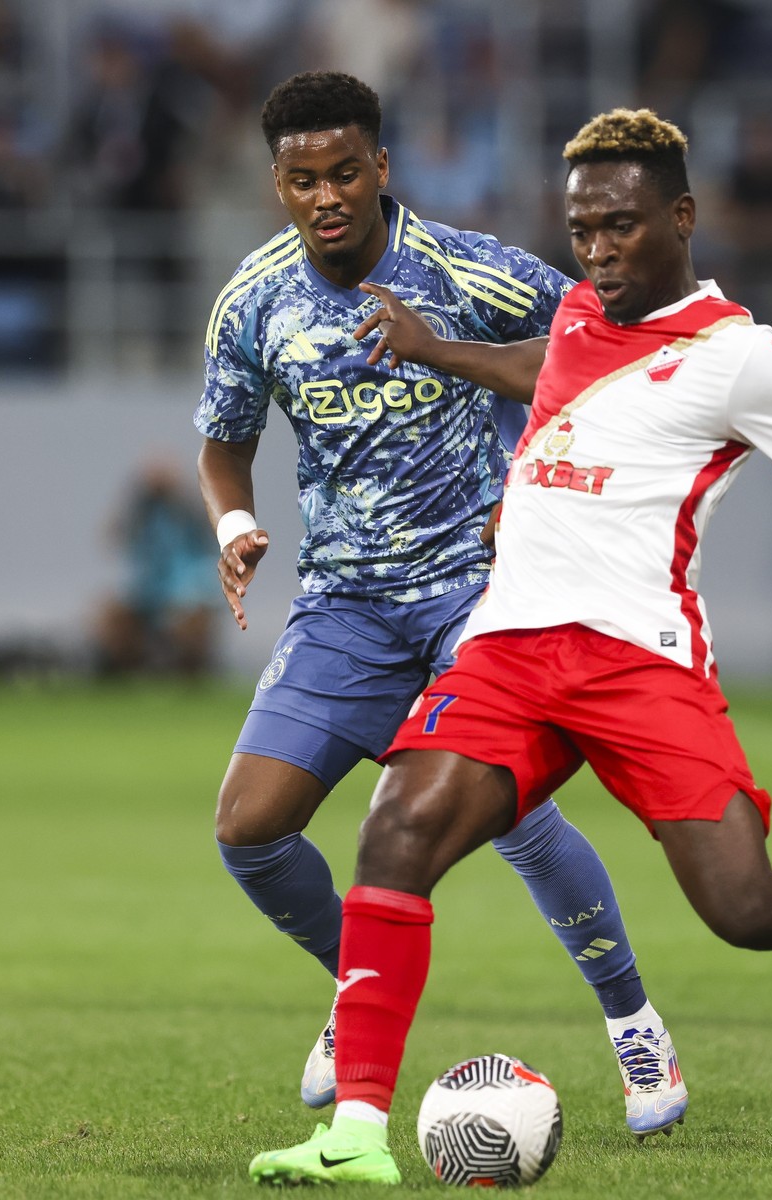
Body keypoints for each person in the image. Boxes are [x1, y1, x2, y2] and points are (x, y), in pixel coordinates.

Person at [248, 108, 772, 1187]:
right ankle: (355, 1132)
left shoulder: (743, 358)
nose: (600, 250)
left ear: (681, 216)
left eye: (621, 226)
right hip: (512, 648)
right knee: (398, 832)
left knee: (748, 912)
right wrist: (439, 348)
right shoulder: (582, 309)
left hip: (639, 661)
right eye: (583, 229)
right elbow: (552, 362)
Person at [196, 73, 686, 1139]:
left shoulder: (468, 268)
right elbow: (224, 441)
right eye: (300, 180)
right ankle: (354, 989)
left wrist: (537, 484)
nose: (324, 197)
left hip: (477, 593)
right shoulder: (254, 299)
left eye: (342, 173)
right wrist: (234, 526)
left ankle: (634, 1024)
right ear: (276, 185)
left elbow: (593, 347)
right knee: (249, 830)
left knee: (515, 821)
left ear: (381, 168)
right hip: (343, 609)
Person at [93, 458, 219, 677]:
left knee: (195, 623)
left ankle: (189, 676)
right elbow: (112, 536)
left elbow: (210, 529)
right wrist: (137, 500)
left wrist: (180, 495)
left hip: (186, 592)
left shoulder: (185, 513)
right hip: (148, 592)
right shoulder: (143, 514)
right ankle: (123, 675)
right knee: (112, 617)